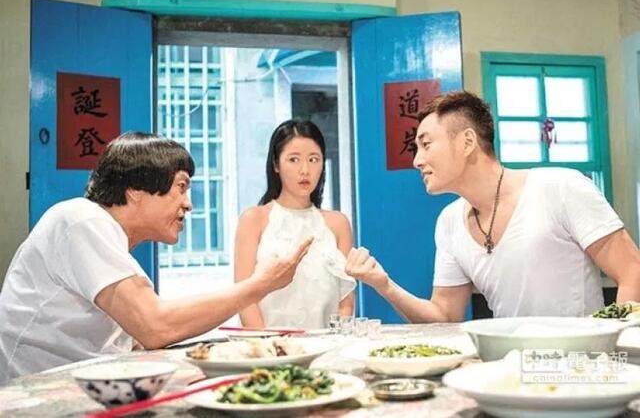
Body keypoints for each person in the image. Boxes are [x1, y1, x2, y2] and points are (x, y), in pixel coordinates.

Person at [0, 132, 312, 383]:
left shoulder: (104, 235)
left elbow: (144, 335)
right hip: (36, 394)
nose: (188, 204)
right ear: (135, 189)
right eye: (181, 187)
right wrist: (260, 284)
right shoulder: (81, 220)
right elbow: (155, 326)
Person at [345, 91, 640, 321]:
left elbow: (632, 271)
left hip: (578, 368)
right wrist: (384, 285)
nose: (416, 161)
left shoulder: (561, 187)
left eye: (426, 144)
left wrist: (616, 354)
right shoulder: (449, 221)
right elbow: (444, 317)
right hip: (507, 368)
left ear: (467, 142)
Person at [234, 119, 355, 329]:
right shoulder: (253, 220)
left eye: (314, 159)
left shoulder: (338, 224)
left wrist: (336, 340)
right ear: (276, 164)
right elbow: (244, 299)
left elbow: (346, 300)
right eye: (293, 159)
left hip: (327, 344)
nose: (305, 170)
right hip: (268, 345)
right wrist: (268, 344)